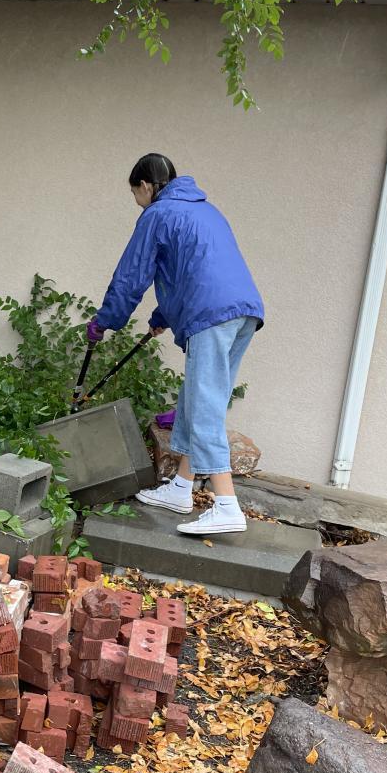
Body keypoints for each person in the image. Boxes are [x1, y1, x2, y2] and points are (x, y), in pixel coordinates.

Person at [88, 153, 264, 535]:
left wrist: (105, 321)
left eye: (135, 194)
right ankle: (181, 488)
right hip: (243, 312)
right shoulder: (207, 211)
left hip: (211, 315)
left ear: (145, 185)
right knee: (200, 397)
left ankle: (227, 506)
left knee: (203, 404)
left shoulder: (158, 214)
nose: (137, 202)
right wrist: (160, 318)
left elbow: (131, 276)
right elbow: (193, 271)